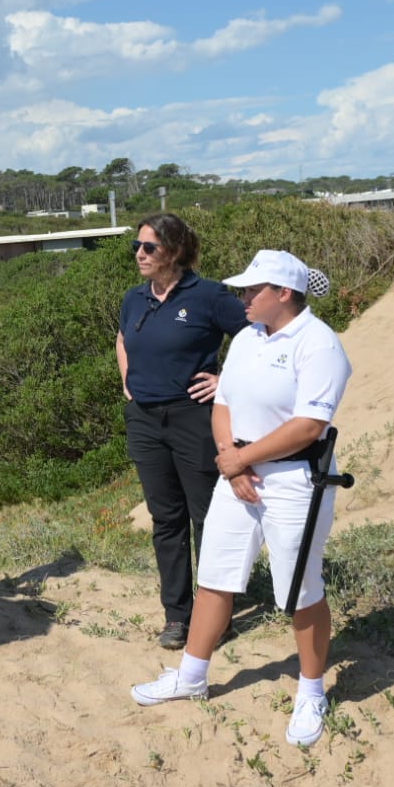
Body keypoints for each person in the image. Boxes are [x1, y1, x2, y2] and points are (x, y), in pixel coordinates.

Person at [131, 250, 352, 749]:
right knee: (215, 575)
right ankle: (192, 674)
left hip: (295, 478)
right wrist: (232, 459)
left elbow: (309, 424)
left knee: (300, 587)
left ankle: (311, 690)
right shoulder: (249, 338)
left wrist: (241, 459)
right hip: (239, 475)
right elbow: (223, 401)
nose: (244, 298)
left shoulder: (318, 343)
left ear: (285, 294)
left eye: (254, 290)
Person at [117, 213, 249, 650]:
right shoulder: (135, 297)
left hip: (195, 417)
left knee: (205, 516)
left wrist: (223, 380)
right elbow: (123, 338)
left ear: (173, 251)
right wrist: (127, 382)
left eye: (149, 247)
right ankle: (178, 615)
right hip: (145, 420)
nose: (139, 254)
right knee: (165, 518)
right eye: (137, 246)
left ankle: (217, 612)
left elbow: (258, 338)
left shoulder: (209, 295)